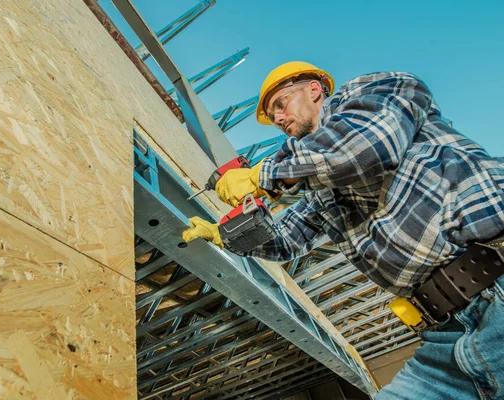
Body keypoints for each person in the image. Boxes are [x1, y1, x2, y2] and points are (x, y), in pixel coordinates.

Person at [182, 61, 504, 399]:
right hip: (447, 334)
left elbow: (364, 148)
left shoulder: (385, 89)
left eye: (281, 103)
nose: (278, 119)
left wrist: (262, 176)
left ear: (314, 89)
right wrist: (229, 235)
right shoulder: (321, 192)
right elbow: (285, 241)